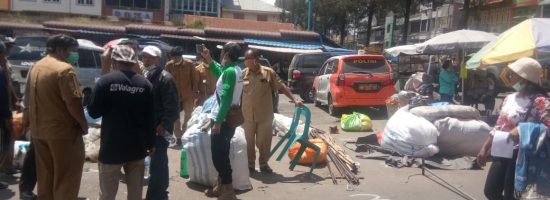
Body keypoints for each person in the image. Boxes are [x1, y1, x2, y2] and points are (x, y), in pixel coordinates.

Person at [87, 45, 156, 200]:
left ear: (114, 60)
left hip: (111, 147)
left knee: (107, 195)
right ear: (134, 62)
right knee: (135, 194)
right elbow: (150, 118)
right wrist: (151, 144)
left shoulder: (105, 81)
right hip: (137, 148)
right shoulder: (145, 85)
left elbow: (93, 112)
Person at [477, 57, 550, 200]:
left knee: (512, 195)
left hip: (521, 155)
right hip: (501, 150)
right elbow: (499, 125)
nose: (509, 76)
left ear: (524, 77)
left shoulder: (540, 101)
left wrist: (523, 129)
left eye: (513, 73)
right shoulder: (509, 98)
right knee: (490, 191)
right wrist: (484, 149)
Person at [27, 34, 88, 199]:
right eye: (72, 51)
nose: (73, 55)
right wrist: (84, 125)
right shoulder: (64, 70)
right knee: (67, 178)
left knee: (45, 176)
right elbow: (73, 104)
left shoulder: (37, 66)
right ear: (61, 50)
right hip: (63, 134)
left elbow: (28, 99)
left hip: (40, 131)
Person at [241, 49, 302, 173]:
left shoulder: (268, 73)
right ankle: (250, 165)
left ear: (256, 60)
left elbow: (281, 86)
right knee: (248, 141)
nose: (247, 63)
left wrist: (294, 99)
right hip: (247, 115)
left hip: (265, 115)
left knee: (264, 141)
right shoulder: (242, 74)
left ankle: (264, 164)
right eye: (245, 60)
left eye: (249, 60)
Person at [201, 42, 243, 200]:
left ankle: (228, 191)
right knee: (221, 153)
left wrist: (218, 122)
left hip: (223, 119)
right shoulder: (234, 70)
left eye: (222, 53)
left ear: (226, 55)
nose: (221, 55)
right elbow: (220, 73)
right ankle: (221, 186)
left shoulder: (231, 72)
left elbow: (225, 99)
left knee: (219, 156)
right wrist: (209, 59)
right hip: (226, 118)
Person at [142, 45, 180, 200]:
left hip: (161, 128)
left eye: (150, 57)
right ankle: (162, 191)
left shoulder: (165, 78)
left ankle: (154, 196)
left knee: (158, 162)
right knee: (159, 161)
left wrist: (162, 125)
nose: (146, 60)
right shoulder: (147, 75)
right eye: (144, 56)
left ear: (158, 59)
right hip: (151, 127)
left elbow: (172, 107)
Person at [165, 46, 199, 146]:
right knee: (175, 119)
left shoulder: (189, 64)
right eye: (173, 57)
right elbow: (166, 80)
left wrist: (195, 92)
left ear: (180, 56)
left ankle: (184, 135)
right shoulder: (169, 65)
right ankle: (178, 137)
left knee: (188, 116)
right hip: (174, 96)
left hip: (188, 95)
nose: (174, 59)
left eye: (176, 57)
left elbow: (194, 79)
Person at [0, 40, 18, 190]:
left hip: (5, 109)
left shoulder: (4, 64)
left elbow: (8, 86)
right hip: (2, 112)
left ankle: (6, 165)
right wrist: (6, 115)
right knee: (3, 143)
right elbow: (2, 93)